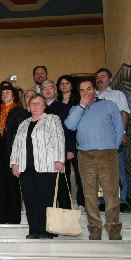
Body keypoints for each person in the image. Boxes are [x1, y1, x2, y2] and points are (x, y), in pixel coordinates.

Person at [65, 78, 124, 240]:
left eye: (88, 89)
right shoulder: (75, 109)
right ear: (79, 93)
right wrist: (82, 106)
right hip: (85, 155)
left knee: (111, 193)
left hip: (108, 154)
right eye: (82, 90)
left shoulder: (109, 105)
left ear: (94, 90)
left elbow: (120, 129)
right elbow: (70, 125)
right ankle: (95, 229)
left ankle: (113, 228)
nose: (86, 93)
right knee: (89, 194)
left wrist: (112, 147)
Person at [10, 94, 65, 239]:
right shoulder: (23, 124)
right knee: (30, 200)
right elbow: (16, 145)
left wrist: (60, 159)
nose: (34, 106)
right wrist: (14, 163)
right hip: (26, 168)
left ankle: (46, 230)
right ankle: (33, 230)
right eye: (32, 103)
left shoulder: (52, 119)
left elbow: (59, 139)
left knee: (45, 199)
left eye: (38, 103)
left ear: (44, 105)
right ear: (28, 106)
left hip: (46, 166)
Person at [0, 86, 30, 224]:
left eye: (7, 92)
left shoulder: (21, 112)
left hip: (12, 154)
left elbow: (23, 135)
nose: (4, 95)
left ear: (14, 95)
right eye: (2, 93)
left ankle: (13, 218)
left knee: (12, 185)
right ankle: (0, 218)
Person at [95, 68, 131, 213]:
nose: (99, 79)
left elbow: (124, 112)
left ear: (110, 79)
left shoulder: (117, 94)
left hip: (114, 138)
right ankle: (103, 201)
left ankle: (121, 201)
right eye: (97, 77)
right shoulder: (92, 95)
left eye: (103, 76)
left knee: (118, 170)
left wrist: (122, 132)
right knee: (100, 172)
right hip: (97, 141)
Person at [42, 80, 76, 210]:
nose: (48, 90)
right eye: (45, 88)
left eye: (51, 87)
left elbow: (69, 130)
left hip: (60, 152)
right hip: (43, 154)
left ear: (56, 91)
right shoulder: (39, 109)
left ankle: (65, 213)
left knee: (62, 184)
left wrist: (70, 149)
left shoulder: (64, 108)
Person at [56, 75, 84, 208]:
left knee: (81, 174)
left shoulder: (79, 101)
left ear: (71, 86)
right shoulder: (56, 103)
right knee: (64, 175)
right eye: (62, 83)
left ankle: (82, 202)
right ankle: (66, 203)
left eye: (67, 83)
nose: (64, 85)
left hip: (78, 142)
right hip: (62, 143)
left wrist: (72, 147)